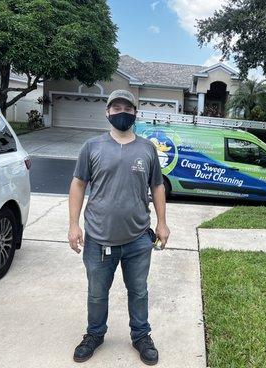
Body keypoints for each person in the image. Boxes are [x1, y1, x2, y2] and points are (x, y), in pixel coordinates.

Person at [68, 89, 170, 365]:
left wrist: (162, 223)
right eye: (116, 108)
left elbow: (157, 186)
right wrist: (73, 225)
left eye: (127, 108)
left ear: (135, 113)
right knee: (97, 293)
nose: (121, 112)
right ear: (107, 112)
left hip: (138, 239)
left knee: (139, 291)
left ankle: (141, 336)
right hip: (99, 239)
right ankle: (95, 334)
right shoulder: (92, 147)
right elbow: (78, 184)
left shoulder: (147, 148)